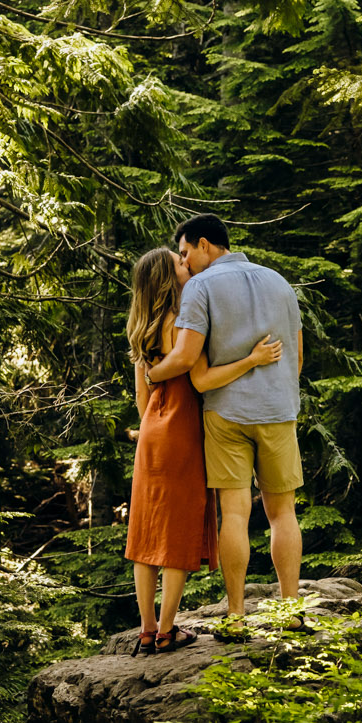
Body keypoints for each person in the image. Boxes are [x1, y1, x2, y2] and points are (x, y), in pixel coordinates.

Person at [123, 246, 281, 655]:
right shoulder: (184, 322)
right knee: (177, 535)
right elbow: (201, 379)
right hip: (185, 434)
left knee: (144, 535)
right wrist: (253, 359)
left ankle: (146, 629)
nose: (186, 264)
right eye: (178, 263)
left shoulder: (139, 330)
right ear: (166, 276)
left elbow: (143, 401)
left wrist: (152, 421)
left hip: (152, 434)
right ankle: (168, 630)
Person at [148, 214, 305, 625]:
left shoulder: (201, 286)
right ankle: (291, 612)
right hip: (278, 411)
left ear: (205, 244)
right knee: (283, 514)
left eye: (185, 253)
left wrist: (150, 373)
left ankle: (236, 615)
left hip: (225, 412)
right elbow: (298, 356)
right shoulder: (279, 282)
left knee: (234, 514)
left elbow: (185, 356)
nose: (185, 262)